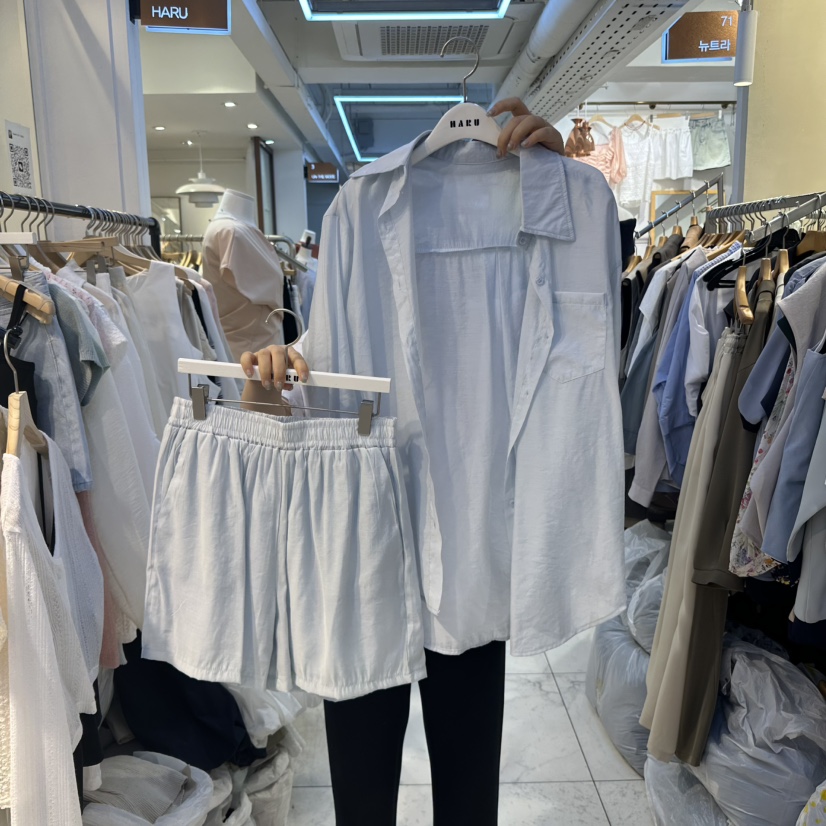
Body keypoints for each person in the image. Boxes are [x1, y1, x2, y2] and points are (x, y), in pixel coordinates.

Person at [240, 99, 566, 825]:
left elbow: (576, 354)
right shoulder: (356, 211)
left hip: (472, 557)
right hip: (365, 561)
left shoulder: (546, 212)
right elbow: (319, 379)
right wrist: (270, 379)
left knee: (468, 801)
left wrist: (560, 190)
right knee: (362, 801)